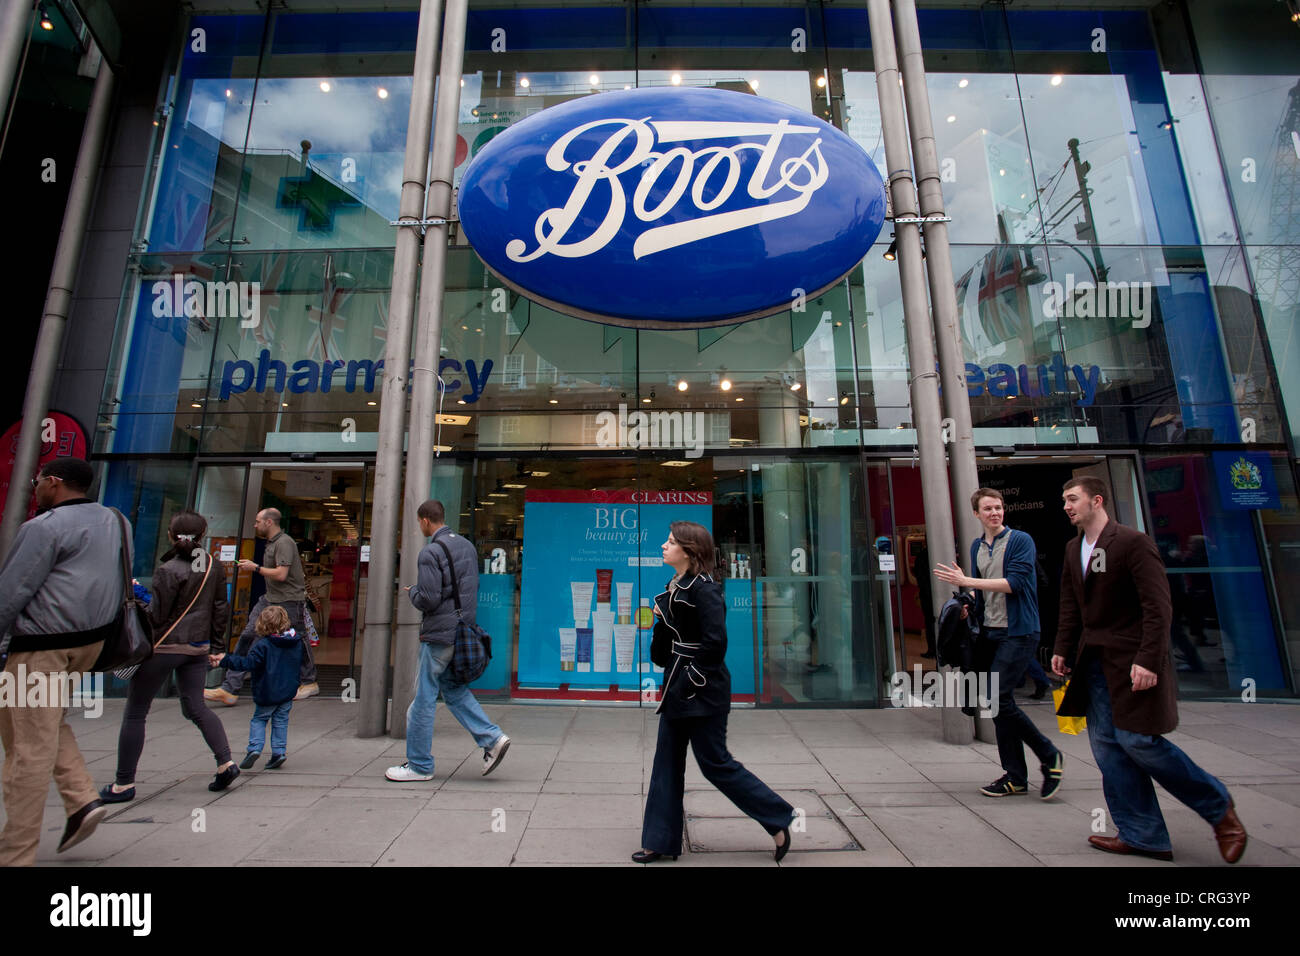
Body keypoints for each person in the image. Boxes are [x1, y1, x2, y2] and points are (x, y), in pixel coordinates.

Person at [1052, 476, 1247, 863]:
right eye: (1064, 500)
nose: (1067, 506)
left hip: (1131, 663)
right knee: (1108, 752)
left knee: (1139, 742)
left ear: (1097, 500)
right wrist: (1061, 649)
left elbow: (1158, 607)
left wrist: (1149, 659)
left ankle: (1219, 808)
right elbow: (1071, 604)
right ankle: (1143, 836)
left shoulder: (1132, 543)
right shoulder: (1075, 549)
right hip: (1094, 666)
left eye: (1072, 499)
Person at [635, 521, 795, 863]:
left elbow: (715, 643)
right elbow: (666, 646)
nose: (664, 546)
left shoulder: (705, 589)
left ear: (690, 551)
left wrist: (690, 680)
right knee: (666, 762)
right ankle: (659, 841)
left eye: (671, 542)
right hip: (678, 683)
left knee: (715, 764)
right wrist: (662, 628)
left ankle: (777, 817)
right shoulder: (676, 585)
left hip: (703, 689)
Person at [0, 458, 123, 865]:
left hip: (41, 648)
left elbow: (13, 589)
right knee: (40, 722)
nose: (35, 486)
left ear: (53, 483)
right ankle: (82, 799)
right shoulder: (115, 522)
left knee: (27, 749)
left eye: (39, 481)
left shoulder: (42, 528)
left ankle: (15, 853)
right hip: (88, 646)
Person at [934, 487, 1064, 800]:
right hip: (991, 631)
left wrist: (967, 582)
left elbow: (1015, 584)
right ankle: (1015, 776)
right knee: (995, 703)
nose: (995, 513)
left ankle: (1049, 756)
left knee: (999, 698)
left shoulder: (1020, 541)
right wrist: (970, 602)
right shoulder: (978, 546)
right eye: (988, 509)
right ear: (976, 514)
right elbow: (986, 591)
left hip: (1019, 631)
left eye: (999, 507)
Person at [101, 510, 239, 803]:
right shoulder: (213, 567)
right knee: (196, 707)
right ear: (202, 536)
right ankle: (226, 761)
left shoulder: (169, 570)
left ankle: (123, 783)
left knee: (136, 712)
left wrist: (138, 592)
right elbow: (220, 608)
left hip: (164, 648)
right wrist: (216, 647)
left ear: (170, 536)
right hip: (197, 648)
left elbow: (157, 615)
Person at [385, 499, 510, 782]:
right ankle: (492, 739)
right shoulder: (466, 547)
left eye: (419, 522)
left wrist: (412, 592)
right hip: (462, 630)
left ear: (426, 520)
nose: (420, 527)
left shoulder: (430, 552)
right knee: (452, 689)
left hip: (440, 634)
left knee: (423, 699)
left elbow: (429, 598)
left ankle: (419, 765)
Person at [205, 508, 318, 705]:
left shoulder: (284, 543)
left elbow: (282, 574)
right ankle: (229, 688)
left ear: (269, 522)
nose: (255, 525)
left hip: (288, 601)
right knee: (248, 636)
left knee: (298, 637)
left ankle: (309, 681)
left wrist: (255, 568)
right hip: (269, 599)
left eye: (258, 521)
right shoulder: (272, 543)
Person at [211, 605, 302, 770]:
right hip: (288, 691)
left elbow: (248, 664)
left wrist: (225, 660)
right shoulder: (295, 642)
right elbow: (300, 664)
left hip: (267, 691)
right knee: (281, 721)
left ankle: (254, 748)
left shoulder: (263, 645)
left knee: (259, 720)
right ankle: (279, 752)